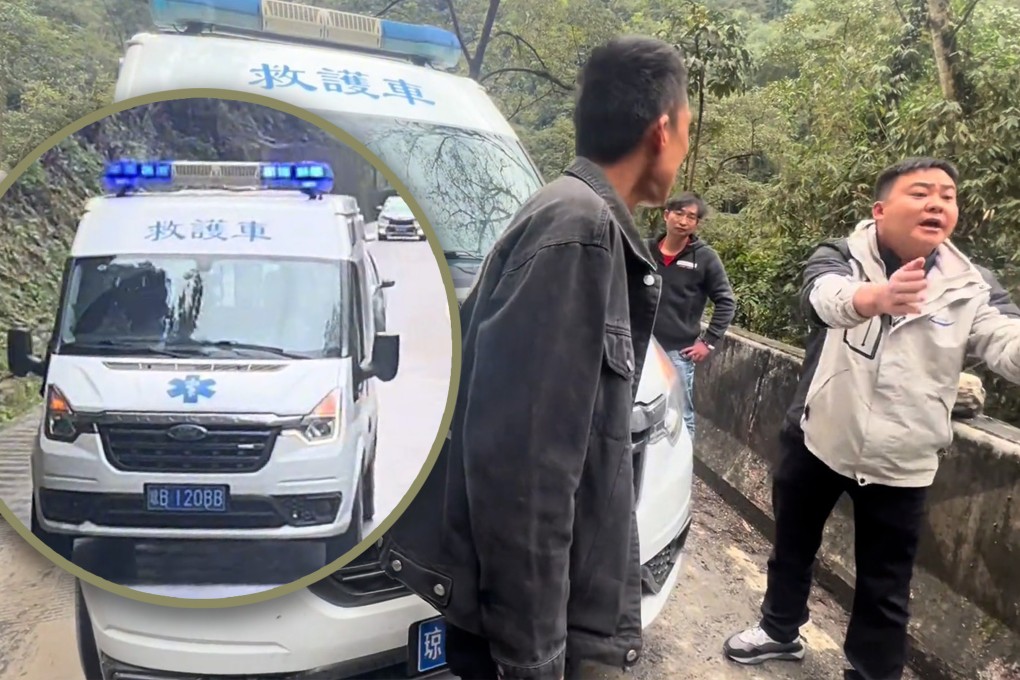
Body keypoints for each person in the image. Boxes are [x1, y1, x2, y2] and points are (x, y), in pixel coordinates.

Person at [378, 36, 691, 680]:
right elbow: (525, 470)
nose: (684, 148)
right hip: (524, 636)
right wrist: (534, 658)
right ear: (662, 130)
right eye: (687, 128)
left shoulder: (575, 216)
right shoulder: (578, 231)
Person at [722, 156, 1020, 680]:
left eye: (947, 196)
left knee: (885, 587)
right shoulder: (842, 256)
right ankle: (779, 631)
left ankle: (870, 674)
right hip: (819, 435)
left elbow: (1005, 343)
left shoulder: (972, 285)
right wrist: (874, 298)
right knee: (792, 546)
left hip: (902, 459)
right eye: (921, 192)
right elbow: (821, 298)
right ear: (880, 210)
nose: (937, 204)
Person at [647, 192, 735, 439]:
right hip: (640, 346)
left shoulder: (705, 258)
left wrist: (708, 342)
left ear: (696, 224)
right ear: (666, 215)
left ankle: (682, 470)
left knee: (681, 413)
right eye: (678, 213)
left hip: (677, 351)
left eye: (691, 217)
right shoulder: (644, 251)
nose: (683, 221)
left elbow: (726, 302)